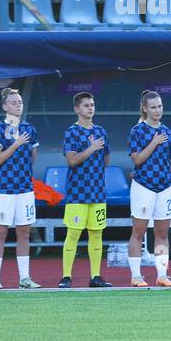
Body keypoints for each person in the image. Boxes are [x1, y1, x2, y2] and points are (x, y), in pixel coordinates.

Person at [0, 87, 40, 289]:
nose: (18, 105)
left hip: (25, 188)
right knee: (0, 232)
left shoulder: (29, 128)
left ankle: (25, 278)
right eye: (14, 102)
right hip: (3, 189)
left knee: (24, 232)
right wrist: (17, 143)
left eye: (20, 102)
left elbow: (33, 157)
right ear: (4, 106)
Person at [60, 91, 111, 289]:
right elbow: (72, 160)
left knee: (96, 234)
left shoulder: (101, 131)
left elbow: (106, 158)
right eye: (86, 105)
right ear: (77, 109)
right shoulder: (71, 132)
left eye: (92, 104)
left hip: (97, 191)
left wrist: (95, 161)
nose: (91, 108)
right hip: (77, 192)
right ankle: (66, 277)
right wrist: (91, 149)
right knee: (73, 233)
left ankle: (96, 276)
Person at [127, 90, 171, 288]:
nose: (158, 110)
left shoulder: (169, 132)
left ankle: (162, 275)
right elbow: (137, 159)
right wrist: (154, 142)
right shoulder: (137, 131)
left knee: (162, 233)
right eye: (154, 107)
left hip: (164, 187)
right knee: (138, 231)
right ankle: (136, 276)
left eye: (160, 106)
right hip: (143, 186)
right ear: (145, 109)